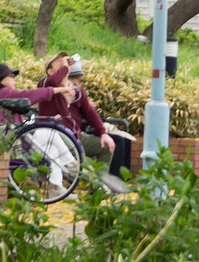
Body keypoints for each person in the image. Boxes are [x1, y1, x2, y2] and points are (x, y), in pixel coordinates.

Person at [41, 55, 136, 189]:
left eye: (65, 61)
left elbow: (90, 112)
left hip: (76, 136)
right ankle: (97, 186)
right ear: (50, 70)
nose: (64, 63)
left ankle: (96, 189)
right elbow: (55, 81)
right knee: (84, 165)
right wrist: (64, 67)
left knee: (106, 146)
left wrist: (103, 133)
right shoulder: (45, 84)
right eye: (59, 62)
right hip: (57, 138)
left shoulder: (76, 90)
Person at [0, 62, 64, 122]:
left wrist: (49, 119)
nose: (14, 79)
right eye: (11, 76)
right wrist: (58, 90)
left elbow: (23, 121)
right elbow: (29, 95)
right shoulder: (4, 92)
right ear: (1, 79)